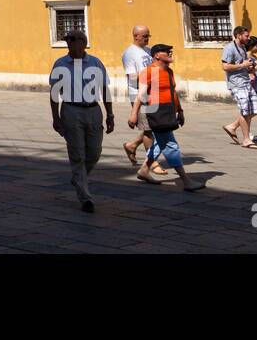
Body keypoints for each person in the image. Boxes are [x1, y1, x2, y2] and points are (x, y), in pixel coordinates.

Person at [48, 29, 114, 213]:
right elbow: (54, 93)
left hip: (93, 110)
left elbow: (105, 90)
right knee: (77, 154)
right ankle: (85, 198)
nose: (69, 42)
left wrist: (110, 115)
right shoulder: (60, 64)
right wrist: (56, 117)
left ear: (83, 42)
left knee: (94, 151)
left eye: (73, 39)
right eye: (67, 39)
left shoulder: (95, 62)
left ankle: (78, 178)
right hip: (70, 110)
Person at [129, 44, 205, 192]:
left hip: (168, 111)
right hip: (155, 112)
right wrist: (133, 114)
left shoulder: (169, 71)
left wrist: (180, 110)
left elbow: (173, 92)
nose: (170, 52)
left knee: (158, 143)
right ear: (157, 55)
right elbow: (141, 95)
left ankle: (144, 170)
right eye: (166, 51)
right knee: (170, 145)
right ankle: (186, 181)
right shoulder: (148, 72)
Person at [119, 25, 170, 175]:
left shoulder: (148, 51)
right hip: (140, 95)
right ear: (136, 36)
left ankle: (131, 145)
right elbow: (132, 77)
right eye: (145, 36)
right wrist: (150, 80)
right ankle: (152, 162)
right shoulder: (129, 53)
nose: (148, 38)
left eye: (148, 35)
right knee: (148, 129)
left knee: (153, 126)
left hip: (154, 92)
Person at [221, 26, 257, 149]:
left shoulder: (243, 48)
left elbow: (243, 64)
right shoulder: (229, 48)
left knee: (254, 109)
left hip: (246, 81)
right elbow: (225, 66)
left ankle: (232, 126)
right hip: (236, 84)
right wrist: (242, 65)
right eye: (246, 36)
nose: (249, 38)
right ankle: (246, 140)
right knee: (245, 111)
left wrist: (249, 66)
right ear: (238, 35)